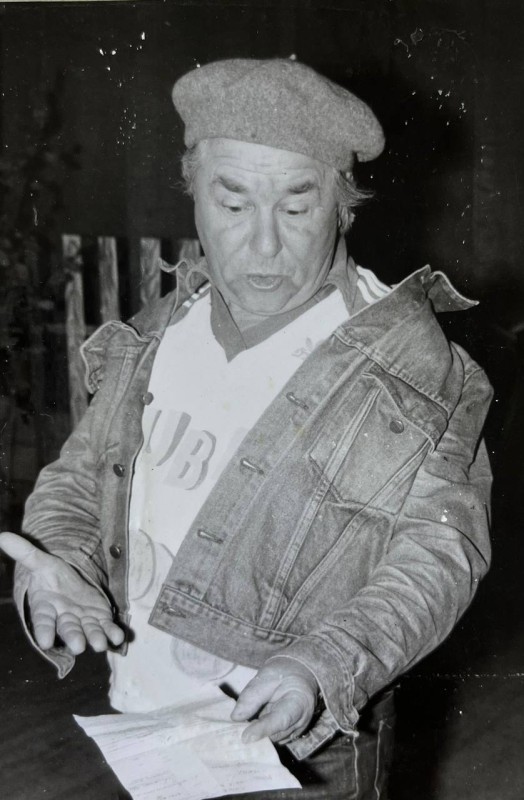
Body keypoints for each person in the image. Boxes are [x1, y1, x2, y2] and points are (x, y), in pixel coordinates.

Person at [0, 58, 493, 799]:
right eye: (233, 204)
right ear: (195, 197)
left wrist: (325, 665)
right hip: (144, 718)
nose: (263, 245)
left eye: (297, 208)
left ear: (344, 207)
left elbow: (441, 552)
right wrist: (61, 563)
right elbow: (79, 480)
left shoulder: (417, 368)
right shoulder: (157, 332)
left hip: (303, 744)